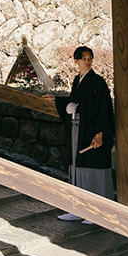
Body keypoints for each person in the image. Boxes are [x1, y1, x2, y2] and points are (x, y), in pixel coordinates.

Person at [54, 45, 115, 222]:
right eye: (84, 59)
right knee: (76, 165)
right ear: (76, 61)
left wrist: (100, 133)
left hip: (91, 130)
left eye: (90, 59)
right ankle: (77, 208)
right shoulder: (77, 80)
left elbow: (104, 109)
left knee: (92, 167)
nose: (87, 62)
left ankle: (97, 212)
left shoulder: (98, 82)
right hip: (77, 129)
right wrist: (58, 100)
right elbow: (76, 101)